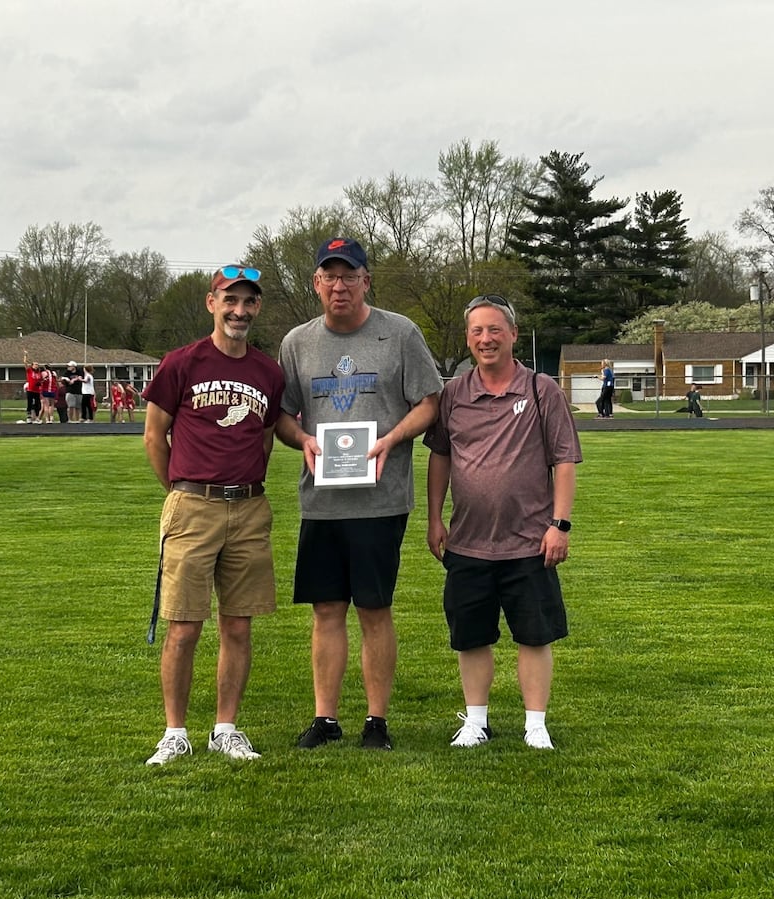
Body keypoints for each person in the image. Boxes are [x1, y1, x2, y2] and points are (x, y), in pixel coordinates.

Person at [276, 237, 442, 751]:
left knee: (374, 608)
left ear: (366, 280)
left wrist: (393, 438)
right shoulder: (296, 343)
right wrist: (302, 439)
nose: (340, 285)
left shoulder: (399, 333)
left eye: (350, 275)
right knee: (326, 609)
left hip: (380, 498)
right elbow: (281, 415)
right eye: (330, 276)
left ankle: (377, 721)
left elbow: (429, 402)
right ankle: (325, 719)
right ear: (316, 284)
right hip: (322, 500)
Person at [424, 294, 582, 750]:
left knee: (534, 636)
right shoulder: (454, 392)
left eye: (495, 329)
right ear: (468, 338)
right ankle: (477, 722)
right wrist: (435, 518)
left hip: (531, 542)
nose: (486, 338)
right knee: (471, 636)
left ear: (513, 334)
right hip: (468, 542)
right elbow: (440, 457)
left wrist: (560, 524)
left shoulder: (541, 389)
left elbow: (565, 460)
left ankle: (536, 724)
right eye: (477, 331)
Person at [142, 264, 284, 766]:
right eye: (230, 300)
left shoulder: (268, 372)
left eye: (248, 302)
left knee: (239, 626)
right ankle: (175, 731)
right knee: (184, 626)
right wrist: (182, 490)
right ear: (212, 303)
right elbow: (153, 437)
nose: (239, 311)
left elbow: (264, 437)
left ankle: (225, 728)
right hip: (193, 505)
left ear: (257, 308)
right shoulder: (181, 363)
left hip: (249, 507)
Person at [22, 353, 43, 424]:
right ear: (32, 365)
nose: (36, 366)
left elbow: (40, 380)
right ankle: (29, 417)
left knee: (37, 404)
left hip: (37, 391)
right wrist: (25, 355)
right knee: (29, 403)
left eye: (37, 365)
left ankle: (37, 417)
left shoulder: (39, 373)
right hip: (30, 390)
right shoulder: (29, 371)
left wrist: (40, 383)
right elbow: (25, 363)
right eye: (35, 364)